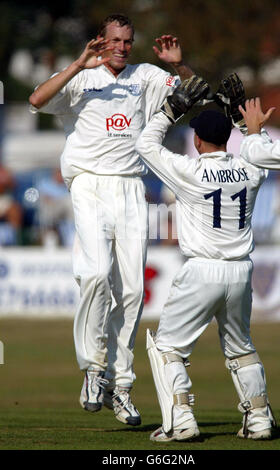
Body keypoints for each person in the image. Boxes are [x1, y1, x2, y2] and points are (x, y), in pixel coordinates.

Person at [29, 13, 194, 426]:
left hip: (131, 187)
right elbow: (36, 100)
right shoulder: (80, 77)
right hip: (88, 183)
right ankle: (92, 370)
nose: (122, 47)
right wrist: (77, 65)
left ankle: (120, 386)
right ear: (100, 41)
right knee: (96, 273)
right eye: (115, 40)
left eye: (128, 41)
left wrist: (178, 64)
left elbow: (194, 94)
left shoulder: (146, 76)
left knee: (134, 292)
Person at [135, 75, 276, 442]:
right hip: (241, 270)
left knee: (168, 348)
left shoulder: (190, 170)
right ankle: (259, 419)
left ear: (197, 141)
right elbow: (260, 150)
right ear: (229, 138)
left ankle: (181, 420)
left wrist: (172, 108)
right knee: (241, 347)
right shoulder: (250, 170)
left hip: (201, 270)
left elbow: (145, 145)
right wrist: (244, 121)